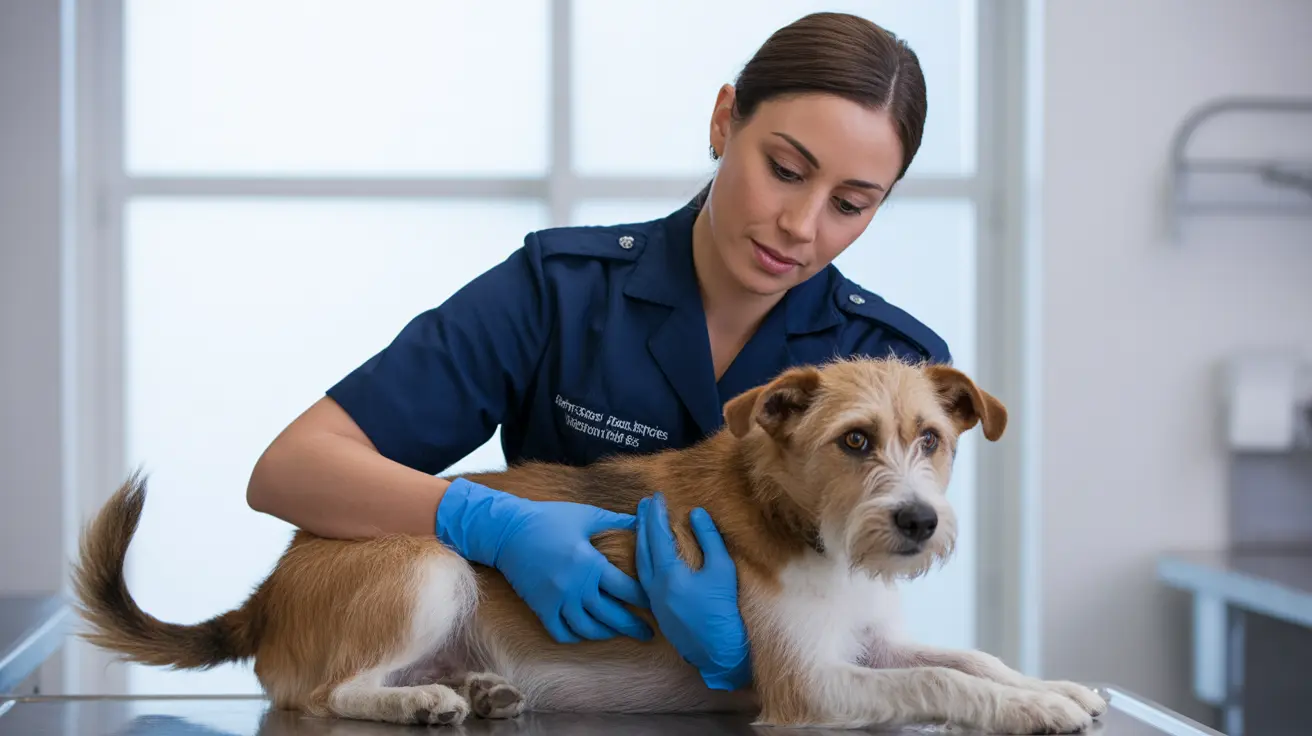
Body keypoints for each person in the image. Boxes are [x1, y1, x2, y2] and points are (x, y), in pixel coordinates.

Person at [245, 11, 950, 693]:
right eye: (786, 169)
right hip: (532, 692)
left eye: (850, 205)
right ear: (722, 119)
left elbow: (863, 627)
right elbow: (291, 470)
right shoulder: (561, 290)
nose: (800, 226)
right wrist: (489, 524)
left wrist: (741, 661)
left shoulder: (889, 364)